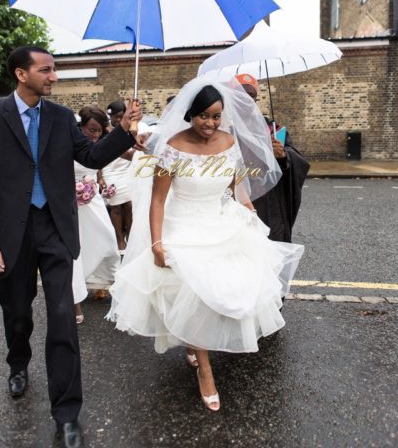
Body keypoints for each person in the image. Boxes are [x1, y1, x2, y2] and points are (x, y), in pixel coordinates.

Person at [108, 78, 304, 412]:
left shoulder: (229, 142)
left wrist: (252, 216)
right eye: (203, 116)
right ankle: (206, 369)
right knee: (195, 294)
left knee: (229, 294)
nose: (210, 124)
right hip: (183, 228)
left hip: (222, 224)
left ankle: (195, 343)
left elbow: (237, 189)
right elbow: (158, 202)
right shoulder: (172, 147)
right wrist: (156, 243)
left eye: (215, 116)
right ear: (190, 115)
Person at [0, 46, 142, 448]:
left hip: (56, 228)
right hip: (10, 232)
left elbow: (93, 156)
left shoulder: (61, 119)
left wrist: (124, 130)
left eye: (55, 69)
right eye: (46, 70)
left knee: (63, 315)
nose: (54, 76)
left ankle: (66, 414)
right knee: (17, 311)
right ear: (21, 74)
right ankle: (18, 361)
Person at [235, 73, 310, 242]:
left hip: (267, 199)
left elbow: (294, 156)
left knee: (270, 245)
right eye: (241, 95)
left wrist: (282, 156)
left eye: (251, 96)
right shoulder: (224, 127)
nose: (246, 100)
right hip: (236, 197)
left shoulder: (270, 127)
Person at [72, 106, 121, 324]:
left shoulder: (97, 144)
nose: (95, 135)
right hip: (71, 205)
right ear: (81, 126)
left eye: (100, 131)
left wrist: (99, 180)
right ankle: (74, 303)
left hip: (94, 201)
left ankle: (105, 285)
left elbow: (97, 163)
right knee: (76, 253)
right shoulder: (68, 144)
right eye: (91, 129)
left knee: (108, 240)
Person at [103, 101, 134, 255]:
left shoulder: (131, 129)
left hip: (126, 169)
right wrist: (100, 176)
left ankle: (130, 236)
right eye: (115, 117)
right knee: (116, 207)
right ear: (110, 116)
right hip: (110, 169)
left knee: (129, 205)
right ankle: (119, 239)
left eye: (120, 117)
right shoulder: (105, 131)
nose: (117, 120)